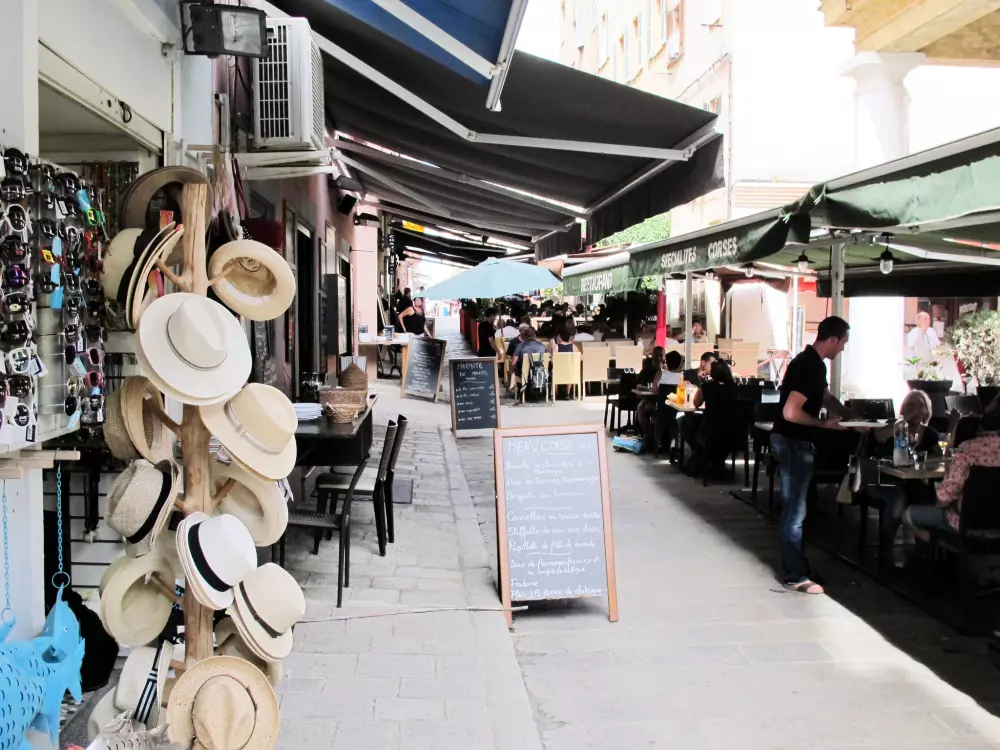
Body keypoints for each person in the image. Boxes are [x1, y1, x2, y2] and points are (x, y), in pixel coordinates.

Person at [771, 316, 854, 595]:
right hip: (794, 443)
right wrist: (822, 424)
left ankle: (800, 567)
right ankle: (795, 574)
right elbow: (791, 412)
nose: (842, 349)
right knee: (795, 513)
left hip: (790, 442)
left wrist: (849, 416)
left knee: (797, 510)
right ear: (833, 339)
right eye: (843, 343)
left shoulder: (810, 362)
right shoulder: (810, 366)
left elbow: (825, 396)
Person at [866, 390, 941, 553]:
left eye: (920, 405)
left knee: (927, 496)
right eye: (911, 405)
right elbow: (877, 437)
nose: (915, 409)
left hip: (909, 481)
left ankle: (925, 549)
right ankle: (885, 553)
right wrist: (904, 420)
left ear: (927, 411)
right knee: (897, 500)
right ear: (903, 409)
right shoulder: (894, 426)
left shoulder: (930, 434)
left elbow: (940, 458)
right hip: (879, 479)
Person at [905, 423, 1000, 541]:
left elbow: (943, 500)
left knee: (907, 514)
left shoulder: (968, 449)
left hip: (965, 525)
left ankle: (940, 544)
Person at [637, 350, 684, 439]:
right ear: (680, 363)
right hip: (678, 412)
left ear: (667, 362)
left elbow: (655, 391)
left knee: (642, 407)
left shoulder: (660, 373)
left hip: (662, 411)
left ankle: (649, 436)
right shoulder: (683, 376)